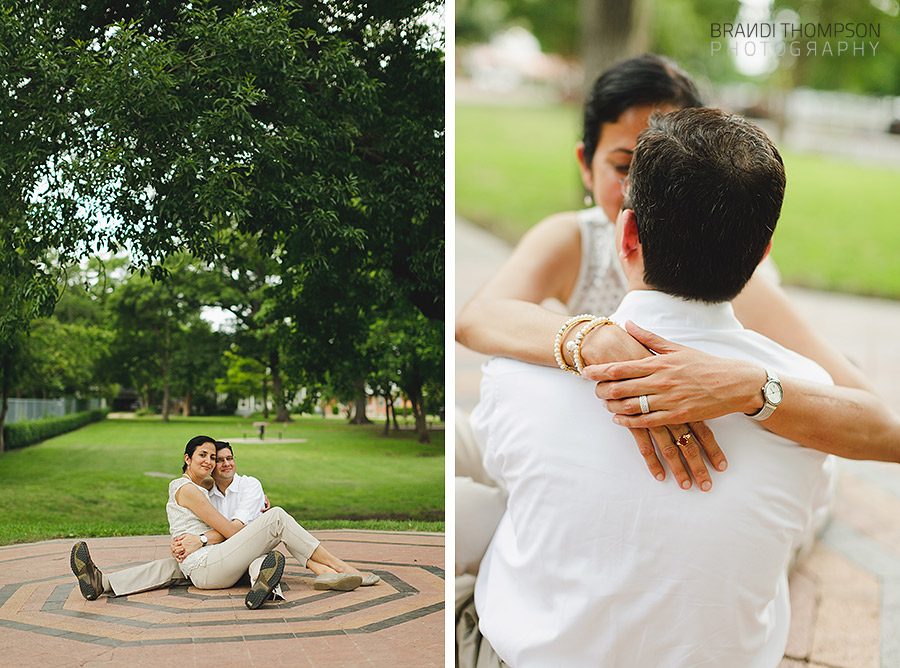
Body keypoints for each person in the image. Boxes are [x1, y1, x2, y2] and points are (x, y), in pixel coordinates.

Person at [454, 53, 900, 575]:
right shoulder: (572, 238)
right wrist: (594, 340)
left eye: (669, 168)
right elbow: (478, 319)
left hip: (705, 488)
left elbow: (882, 427)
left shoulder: (734, 273)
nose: (643, 188)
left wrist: (751, 385)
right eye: (626, 166)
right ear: (585, 162)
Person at [458, 107, 854, 666]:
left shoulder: (517, 374)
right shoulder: (807, 399)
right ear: (762, 254)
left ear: (626, 233)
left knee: (481, 526)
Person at [71, 435, 379, 610]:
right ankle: (339, 569)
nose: (209, 461)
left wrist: (199, 538)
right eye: (202, 456)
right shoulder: (190, 490)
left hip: (199, 564)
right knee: (277, 517)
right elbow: (232, 531)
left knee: (167, 568)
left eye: (212, 457)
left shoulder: (196, 488)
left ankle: (102, 582)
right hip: (208, 566)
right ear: (187, 458)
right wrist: (213, 536)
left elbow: (221, 524)